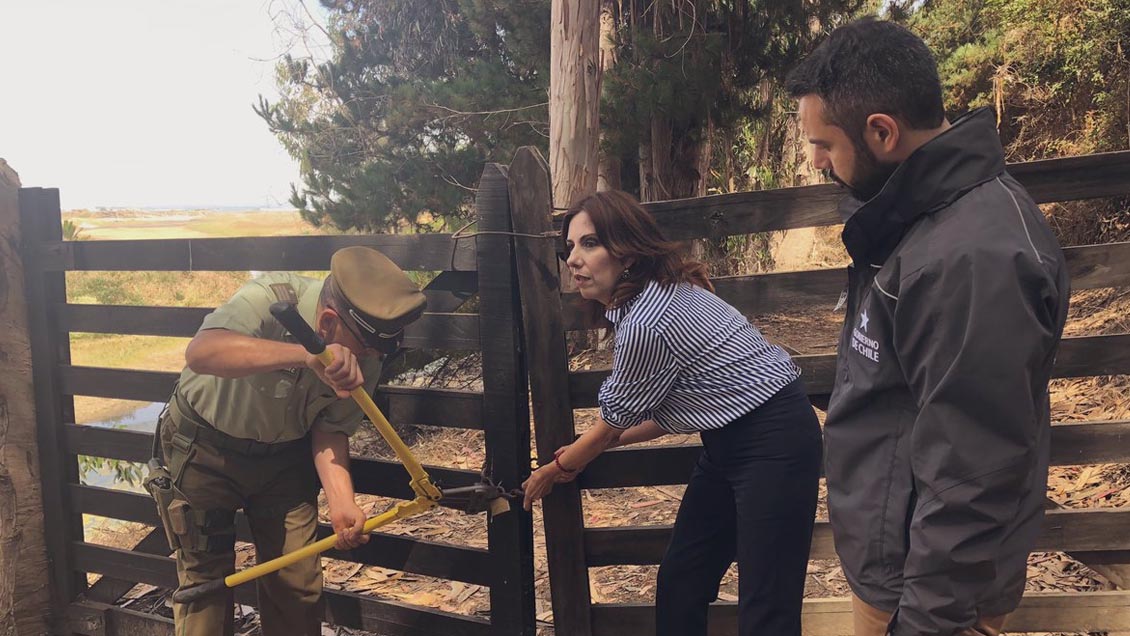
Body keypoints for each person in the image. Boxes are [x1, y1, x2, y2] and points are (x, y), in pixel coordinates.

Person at [786, 18, 1070, 636]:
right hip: (895, 569)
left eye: (824, 145)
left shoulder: (972, 259)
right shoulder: (917, 222)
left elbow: (974, 468)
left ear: (882, 132)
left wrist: (925, 623)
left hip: (928, 599)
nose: (816, 163)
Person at [521, 190, 823, 636]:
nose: (573, 260)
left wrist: (556, 468)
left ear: (625, 251)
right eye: (569, 247)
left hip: (775, 440)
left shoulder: (647, 321)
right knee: (681, 579)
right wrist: (603, 441)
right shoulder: (660, 296)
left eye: (589, 244)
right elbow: (659, 410)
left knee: (767, 607)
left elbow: (611, 424)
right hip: (727, 443)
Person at [152, 246, 426, 636]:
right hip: (203, 452)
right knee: (205, 590)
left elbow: (331, 428)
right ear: (328, 321)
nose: (367, 359)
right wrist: (306, 355)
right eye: (362, 348)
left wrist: (342, 502)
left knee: (297, 587)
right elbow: (202, 352)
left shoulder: (367, 354)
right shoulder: (269, 299)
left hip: (283, 463)